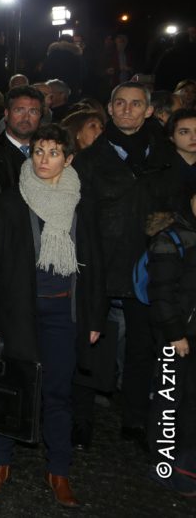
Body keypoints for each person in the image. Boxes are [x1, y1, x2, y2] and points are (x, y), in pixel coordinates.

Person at [0, 124, 106, 508]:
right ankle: (0, 464)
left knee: (58, 394)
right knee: (13, 389)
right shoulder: (9, 202)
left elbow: (96, 263)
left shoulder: (82, 202)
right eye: (38, 151)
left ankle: (59, 470)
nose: (44, 159)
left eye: (53, 152)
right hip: (18, 312)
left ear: (68, 159)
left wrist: (95, 318)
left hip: (64, 313)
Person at [72, 82, 181, 448]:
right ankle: (81, 419)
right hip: (100, 260)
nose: (127, 110)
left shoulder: (166, 156)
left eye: (136, 104)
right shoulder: (89, 159)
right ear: (110, 108)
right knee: (90, 341)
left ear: (149, 110)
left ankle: (134, 418)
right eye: (120, 103)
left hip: (147, 265)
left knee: (140, 346)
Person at [146, 192, 196, 496]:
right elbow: (161, 290)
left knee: (190, 401)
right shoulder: (171, 236)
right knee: (168, 400)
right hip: (175, 334)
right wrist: (175, 333)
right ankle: (162, 466)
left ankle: (185, 466)